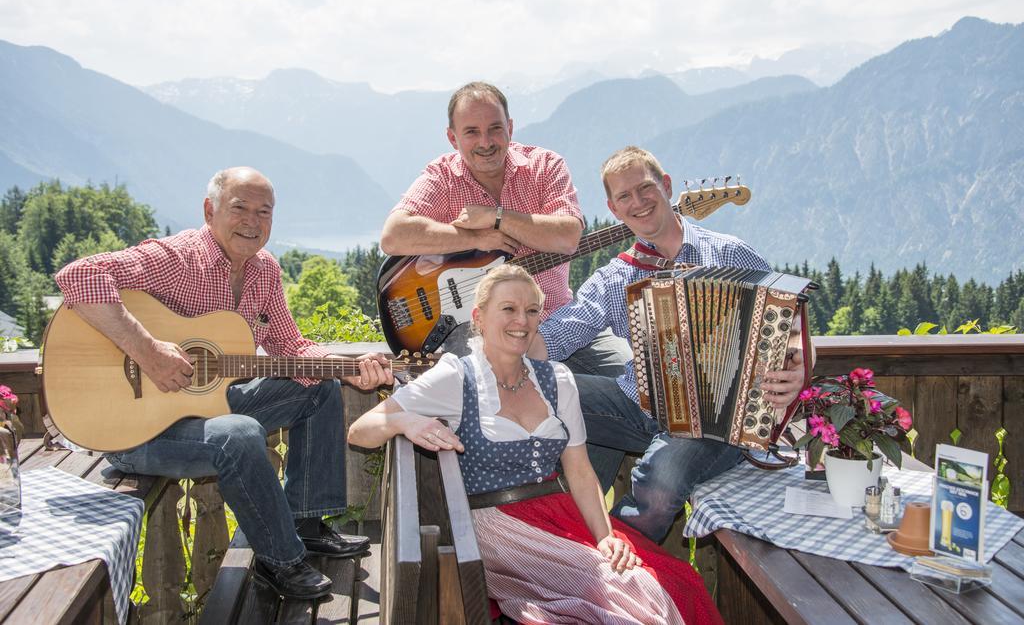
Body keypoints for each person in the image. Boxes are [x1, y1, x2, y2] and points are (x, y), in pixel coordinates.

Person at [54, 167, 393, 600]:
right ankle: (280, 562)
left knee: (317, 388)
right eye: (240, 208)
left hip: (202, 412)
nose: (253, 221)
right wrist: (148, 350)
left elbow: (290, 346)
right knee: (239, 434)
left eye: (264, 212)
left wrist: (350, 366)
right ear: (209, 210)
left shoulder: (263, 269)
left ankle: (306, 522)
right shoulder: (175, 259)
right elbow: (77, 276)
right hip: (130, 430)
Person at [349, 264, 722, 624]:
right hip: (496, 524)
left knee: (674, 580)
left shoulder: (558, 380)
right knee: (631, 592)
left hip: (559, 513)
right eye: (508, 309)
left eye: (531, 310)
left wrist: (605, 535)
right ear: (478, 317)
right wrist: (405, 421)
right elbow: (361, 430)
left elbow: (578, 470)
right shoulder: (456, 375)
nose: (521, 321)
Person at [530, 146, 812, 543]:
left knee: (660, 482)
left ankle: (618, 560)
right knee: (544, 385)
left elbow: (791, 321)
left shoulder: (728, 252)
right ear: (613, 209)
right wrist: (497, 351)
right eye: (624, 197)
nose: (638, 202)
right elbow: (561, 333)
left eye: (644, 188)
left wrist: (798, 368)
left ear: (665, 186)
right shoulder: (615, 276)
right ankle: (557, 535)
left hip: (719, 423)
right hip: (639, 406)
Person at [379, 81, 630, 375]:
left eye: (495, 128)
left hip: (558, 319)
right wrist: (475, 238)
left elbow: (568, 237)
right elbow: (394, 236)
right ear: (452, 137)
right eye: (472, 132)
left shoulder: (546, 166)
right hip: (478, 328)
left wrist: (496, 217)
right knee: (494, 393)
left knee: (636, 380)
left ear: (510, 127)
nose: (485, 142)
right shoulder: (443, 177)